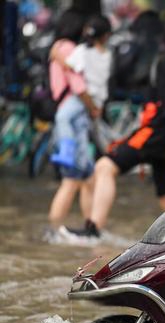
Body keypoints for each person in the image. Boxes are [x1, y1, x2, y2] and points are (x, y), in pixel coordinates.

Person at [66, 49, 165, 240]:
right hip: (162, 139)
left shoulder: (164, 63)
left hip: (155, 136)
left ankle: (93, 230)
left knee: (105, 166)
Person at [46, 9, 100, 243]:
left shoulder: (58, 47)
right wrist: (93, 107)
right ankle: (54, 231)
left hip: (70, 114)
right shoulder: (67, 48)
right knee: (71, 180)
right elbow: (78, 85)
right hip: (73, 113)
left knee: (88, 178)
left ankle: (91, 229)